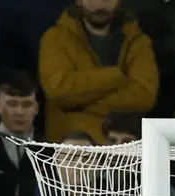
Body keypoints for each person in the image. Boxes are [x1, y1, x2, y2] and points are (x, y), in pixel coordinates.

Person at [37, 0, 159, 142]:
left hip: (124, 147)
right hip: (71, 147)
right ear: (79, 1)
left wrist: (79, 105)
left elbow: (144, 96)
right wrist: (115, 76)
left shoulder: (138, 41)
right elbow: (59, 90)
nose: (100, 6)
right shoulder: (55, 38)